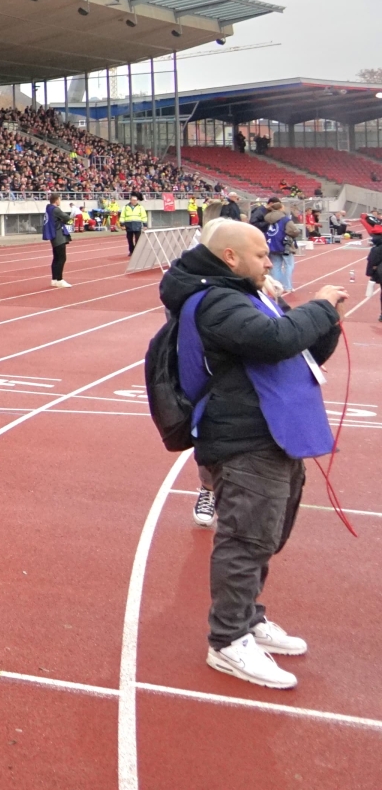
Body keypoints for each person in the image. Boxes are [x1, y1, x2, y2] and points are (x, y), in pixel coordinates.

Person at [158, 218, 345, 690]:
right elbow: (276, 341)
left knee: (265, 535)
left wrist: (323, 319)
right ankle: (228, 639)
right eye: (262, 255)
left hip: (272, 431)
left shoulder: (245, 294)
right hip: (244, 438)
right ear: (230, 257)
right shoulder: (217, 301)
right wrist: (320, 306)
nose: (270, 262)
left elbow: (299, 351)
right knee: (245, 539)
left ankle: (248, 617)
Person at [262, 200, 297, 292]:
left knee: (276, 266)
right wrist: (295, 233)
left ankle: (277, 286)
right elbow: (293, 230)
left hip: (272, 244)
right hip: (285, 245)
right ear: (281, 208)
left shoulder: (267, 219)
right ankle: (287, 286)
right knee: (289, 265)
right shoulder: (285, 219)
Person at [42, 193, 70, 288]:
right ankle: (59, 279)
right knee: (62, 258)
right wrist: (67, 221)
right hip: (58, 236)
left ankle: (54, 279)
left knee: (56, 258)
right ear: (56, 200)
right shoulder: (56, 209)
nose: (60, 201)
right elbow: (67, 218)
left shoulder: (48, 209)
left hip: (53, 235)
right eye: (59, 199)